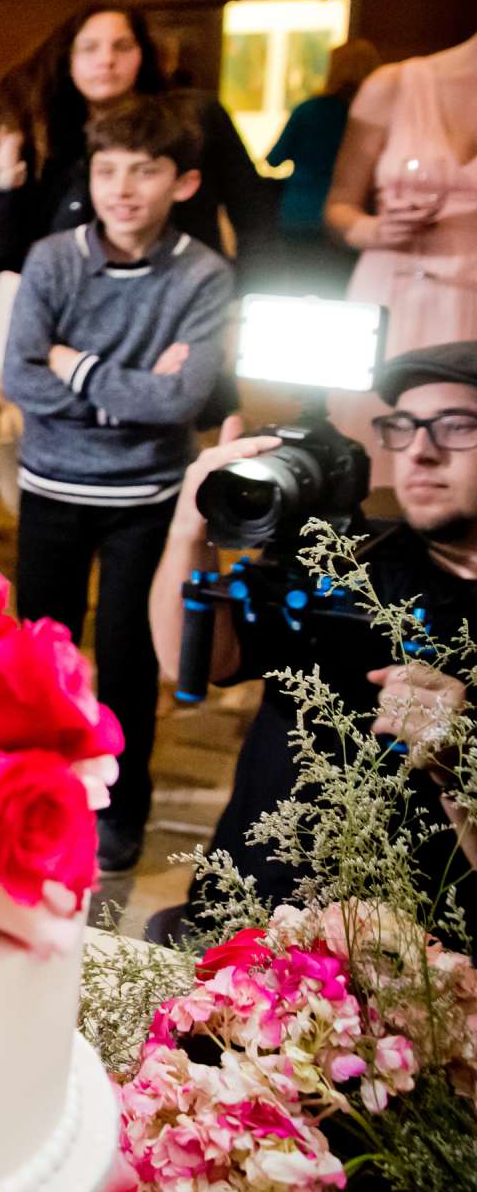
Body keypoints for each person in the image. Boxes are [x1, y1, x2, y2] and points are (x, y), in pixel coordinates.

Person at [151, 344, 477, 947]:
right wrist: (189, 523)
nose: (422, 451)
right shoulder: (348, 554)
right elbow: (195, 660)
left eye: (458, 428)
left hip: (412, 957)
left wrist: (458, 762)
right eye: (403, 429)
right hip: (245, 920)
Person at [2, 93, 235, 874]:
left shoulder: (203, 275)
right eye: (107, 170)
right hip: (52, 486)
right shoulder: (53, 258)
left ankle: (120, 809)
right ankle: (39, 800)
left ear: (185, 183)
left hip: (146, 499)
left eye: (145, 170)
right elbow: (17, 377)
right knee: (43, 660)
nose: (123, 188)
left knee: (130, 665)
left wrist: (78, 366)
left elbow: (183, 402)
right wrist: (128, 392)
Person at [0, 5, 273, 277]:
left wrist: (245, 293)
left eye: (122, 47)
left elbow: (254, 216)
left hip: (189, 298)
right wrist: (7, 161)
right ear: (68, 60)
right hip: (83, 313)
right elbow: (6, 251)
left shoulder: (195, 117)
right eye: (89, 48)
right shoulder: (50, 137)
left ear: (142, 56)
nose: (106, 60)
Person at [326, 23, 477, 485]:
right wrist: (374, 228)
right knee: (375, 457)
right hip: (394, 292)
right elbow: (338, 206)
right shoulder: (395, 84)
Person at [259, 39, 382, 299]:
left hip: (301, 213)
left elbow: (274, 159)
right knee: (342, 293)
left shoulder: (309, 110)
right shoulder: (374, 116)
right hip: (355, 217)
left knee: (300, 291)